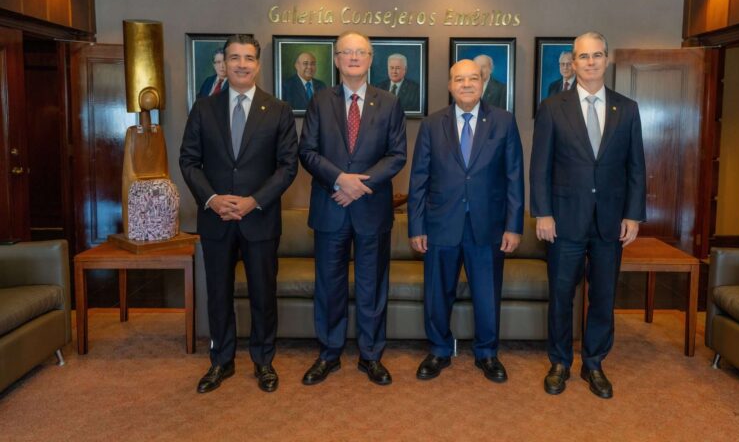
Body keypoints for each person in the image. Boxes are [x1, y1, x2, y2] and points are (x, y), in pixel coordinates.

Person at [180, 34, 299, 394]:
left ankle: (263, 361)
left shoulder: (278, 109)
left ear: (258, 65)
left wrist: (254, 201)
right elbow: (189, 161)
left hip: (259, 219)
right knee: (218, 294)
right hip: (216, 219)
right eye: (235, 58)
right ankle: (221, 361)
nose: (242, 64)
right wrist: (212, 199)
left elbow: (287, 166)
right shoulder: (204, 108)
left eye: (248, 58)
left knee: (263, 294)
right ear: (225, 63)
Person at [530, 31, 646, 399]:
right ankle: (560, 362)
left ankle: (594, 362)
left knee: (604, 295)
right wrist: (542, 213)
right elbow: (540, 166)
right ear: (573, 62)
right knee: (562, 294)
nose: (591, 62)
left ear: (606, 60)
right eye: (584, 56)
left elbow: (636, 167)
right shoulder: (553, 107)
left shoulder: (627, 108)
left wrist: (633, 215)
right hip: (564, 218)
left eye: (597, 55)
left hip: (610, 221)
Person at [298, 30, 407, 386]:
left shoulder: (389, 102)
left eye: (361, 52)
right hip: (330, 206)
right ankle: (328, 353)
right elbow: (307, 151)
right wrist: (339, 179)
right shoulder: (319, 101)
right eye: (347, 52)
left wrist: (358, 186)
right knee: (329, 286)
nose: (354, 57)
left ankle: (371, 355)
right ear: (337, 59)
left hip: (371, 209)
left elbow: (397, 155)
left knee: (372, 286)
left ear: (371, 59)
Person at [408, 59, 523, 383]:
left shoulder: (504, 121)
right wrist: (416, 226)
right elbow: (418, 179)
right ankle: (439, 350)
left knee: (487, 295)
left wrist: (514, 225)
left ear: (483, 83)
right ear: (450, 85)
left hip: (488, 225)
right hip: (440, 223)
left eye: (473, 78)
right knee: (437, 293)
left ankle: (487, 353)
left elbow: (514, 177)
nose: (467, 84)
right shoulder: (432, 124)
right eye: (460, 79)